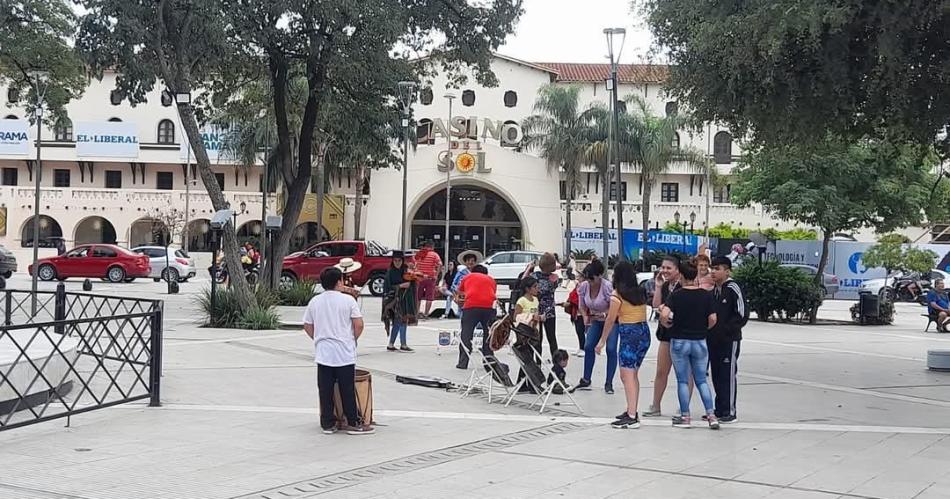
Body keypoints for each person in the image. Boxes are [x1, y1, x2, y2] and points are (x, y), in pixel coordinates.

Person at [302, 267, 374, 435]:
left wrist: (318, 338)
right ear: (339, 282)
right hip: (344, 352)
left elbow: (307, 325)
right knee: (347, 388)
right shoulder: (348, 301)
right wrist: (352, 339)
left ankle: (327, 423)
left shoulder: (315, 301)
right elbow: (359, 324)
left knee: (325, 389)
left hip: (323, 352)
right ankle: (353, 422)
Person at [660, 260, 719, 430]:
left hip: (679, 340)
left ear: (681, 276)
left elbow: (664, 314)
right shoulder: (706, 295)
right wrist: (704, 328)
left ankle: (685, 417)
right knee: (701, 380)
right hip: (700, 341)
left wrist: (667, 325)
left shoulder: (676, 295)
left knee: (682, 380)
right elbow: (713, 318)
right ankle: (711, 415)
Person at [597, 261, 651, 429]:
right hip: (644, 332)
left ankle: (632, 416)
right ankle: (631, 409)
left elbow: (610, 319)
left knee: (626, 376)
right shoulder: (640, 292)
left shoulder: (617, 295)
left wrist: (602, 341)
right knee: (633, 374)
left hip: (629, 334)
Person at [709, 256, 748, 423]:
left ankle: (730, 411)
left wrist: (727, 330)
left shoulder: (733, 288)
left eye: (717, 268)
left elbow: (742, 314)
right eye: (712, 268)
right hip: (713, 340)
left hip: (729, 340)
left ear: (727, 271)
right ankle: (719, 409)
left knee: (728, 374)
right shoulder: (714, 291)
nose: (713, 272)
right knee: (716, 374)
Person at [643, 255, 683, 417]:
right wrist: (659, 287)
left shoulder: (684, 286)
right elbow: (655, 305)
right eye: (663, 267)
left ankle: (683, 407)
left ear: (678, 269)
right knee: (661, 371)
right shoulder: (665, 285)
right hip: (665, 334)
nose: (665, 271)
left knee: (683, 373)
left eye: (669, 268)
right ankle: (656, 405)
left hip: (682, 334)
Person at [576, 259, 617, 393]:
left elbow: (614, 307)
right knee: (588, 346)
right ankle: (586, 378)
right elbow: (582, 305)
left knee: (611, 349)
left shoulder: (607, 287)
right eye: (587, 278)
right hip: (595, 320)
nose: (590, 281)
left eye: (592, 279)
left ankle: (609, 382)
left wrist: (604, 314)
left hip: (610, 320)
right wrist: (584, 315)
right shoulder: (584, 286)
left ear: (599, 276)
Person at [455, 265, 497, 369]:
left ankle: (463, 363)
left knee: (466, 334)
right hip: (489, 307)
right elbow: (493, 292)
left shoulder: (468, 276)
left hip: (471, 307)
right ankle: (489, 361)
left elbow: (460, 292)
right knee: (488, 334)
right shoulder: (491, 279)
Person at [526, 252, 561, 359]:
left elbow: (523, 281)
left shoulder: (534, 276)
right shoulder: (554, 278)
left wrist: (529, 268)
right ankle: (556, 361)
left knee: (537, 338)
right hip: (549, 311)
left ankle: (538, 362)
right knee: (552, 338)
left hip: (536, 309)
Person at [382, 251, 416, 352]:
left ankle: (399, 344)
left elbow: (413, 281)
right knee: (398, 321)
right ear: (392, 261)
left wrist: (412, 280)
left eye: (399, 260)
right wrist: (400, 286)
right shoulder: (390, 272)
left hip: (405, 299)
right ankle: (395, 344)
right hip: (394, 300)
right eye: (395, 260)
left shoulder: (406, 270)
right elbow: (387, 287)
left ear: (402, 260)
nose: (397, 263)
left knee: (403, 320)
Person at [413, 241, 443, 319]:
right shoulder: (434, 255)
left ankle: (417, 313)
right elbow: (440, 264)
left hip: (419, 277)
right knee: (429, 297)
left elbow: (414, 264)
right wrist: (436, 275)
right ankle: (426, 314)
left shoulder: (419, 254)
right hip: (430, 278)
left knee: (418, 297)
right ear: (432, 247)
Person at [562, 272, 587, 357]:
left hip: (582, 311)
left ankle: (583, 348)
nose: (577, 278)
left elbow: (579, 298)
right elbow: (572, 295)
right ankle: (581, 347)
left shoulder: (585, 286)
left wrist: (571, 302)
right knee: (578, 330)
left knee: (581, 330)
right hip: (576, 311)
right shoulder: (578, 285)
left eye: (579, 276)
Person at [451, 250, 482, 317]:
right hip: (464, 297)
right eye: (468, 260)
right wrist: (456, 296)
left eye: (472, 261)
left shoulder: (478, 271)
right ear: (465, 262)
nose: (470, 262)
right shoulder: (461, 273)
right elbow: (454, 285)